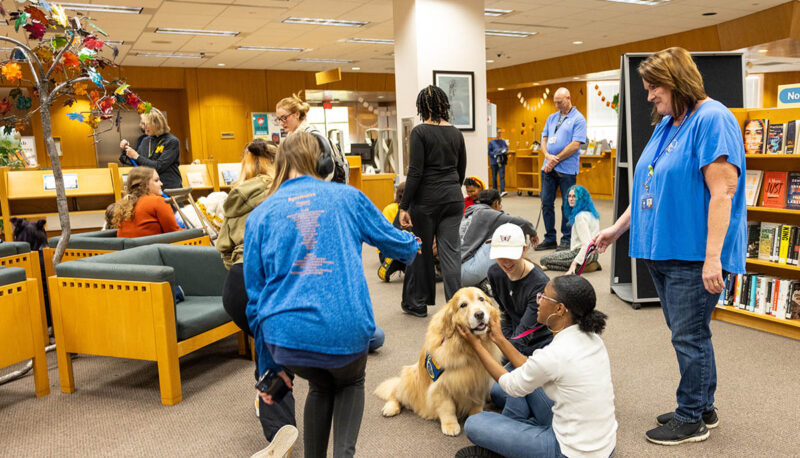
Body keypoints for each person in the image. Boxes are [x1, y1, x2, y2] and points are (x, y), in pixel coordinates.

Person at [593, 47, 746, 445]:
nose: (649, 97)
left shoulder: (712, 119)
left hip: (693, 253)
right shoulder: (669, 122)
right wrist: (616, 230)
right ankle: (704, 406)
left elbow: (723, 192)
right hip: (662, 249)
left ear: (677, 81)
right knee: (690, 333)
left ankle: (690, 417)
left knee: (688, 337)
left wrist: (713, 258)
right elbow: (651, 187)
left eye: (654, 87)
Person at [244, 132, 419, 458]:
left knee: (321, 385)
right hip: (344, 329)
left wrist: (270, 367)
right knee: (350, 382)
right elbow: (401, 248)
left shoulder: (259, 216)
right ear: (325, 162)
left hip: (286, 340)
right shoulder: (348, 198)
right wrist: (415, 244)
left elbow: (254, 302)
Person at [455, 275, 617, 458]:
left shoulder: (555, 354)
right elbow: (531, 367)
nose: (537, 300)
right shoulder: (591, 338)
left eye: (543, 297)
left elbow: (510, 384)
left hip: (569, 452)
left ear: (559, 309)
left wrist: (475, 344)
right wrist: (499, 339)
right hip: (604, 445)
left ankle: (513, 442)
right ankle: (518, 434)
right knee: (501, 390)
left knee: (475, 423)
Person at [398, 85, 467, 318]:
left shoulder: (419, 132)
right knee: (451, 253)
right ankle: (457, 306)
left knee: (422, 250)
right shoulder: (456, 133)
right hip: (453, 198)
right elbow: (461, 171)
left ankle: (418, 302)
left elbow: (415, 172)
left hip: (426, 201)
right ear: (444, 105)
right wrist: (450, 191)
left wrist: (403, 206)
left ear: (421, 107)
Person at [536, 88, 587, 252]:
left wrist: (555, 159)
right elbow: (543, 139)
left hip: (567, 170)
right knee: (546, 203)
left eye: (560, 102)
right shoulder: (552, 118)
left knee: (568, 204)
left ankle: (566, 239)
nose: (557, 105)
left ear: (568, 98)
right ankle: (550, 238)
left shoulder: (578, 119)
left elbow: (575, 145)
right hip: (548, 168)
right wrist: (547, 156)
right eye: (555, 102)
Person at [460, 190, 538, 287]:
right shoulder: (488, 213)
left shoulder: (471, 211)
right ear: (497, 203)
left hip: (452, 273)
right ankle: (508, 274)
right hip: (466, 273)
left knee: (492, 233)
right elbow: (523, 223)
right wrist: (533, 233)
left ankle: (484, 279)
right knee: (507, 231)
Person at [275, 94, 349, 184]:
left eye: (284, 118)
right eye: (278, 119)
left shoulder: (312, 137)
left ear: (297, 114)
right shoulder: (291, 140)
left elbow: (328, 170)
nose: (281, 123)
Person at [540, 185, 601, 273]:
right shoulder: (592, 214)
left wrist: (574, 263)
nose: (571, 199)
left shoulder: (580, 217)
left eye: (574, 196)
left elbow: (587, 244)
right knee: (558, 256)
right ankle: (587, 265)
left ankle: (580, 266)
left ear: (581, 198)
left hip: (582, 254)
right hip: (594, 254)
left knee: (544, 260)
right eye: (569, 196)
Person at [119, 108, 182, 191]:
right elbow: (133, 161)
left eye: (147, 124)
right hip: (150, 189)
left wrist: (137, 156)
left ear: (157, 124)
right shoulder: (146, 140)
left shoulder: (171, 141)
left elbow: (158, 166)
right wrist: (126, 149)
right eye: (143, 123)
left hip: (169, 189)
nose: (144, 127)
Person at [114, 167, 181, 238]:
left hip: (128, 248)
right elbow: (174, 233)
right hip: (151, 247)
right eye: (156, 180)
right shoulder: (158, 201)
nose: (161, 183)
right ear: (145, 184)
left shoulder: (124, 204)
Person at [378, 182, 407, 282]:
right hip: (394, 246)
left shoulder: (389, 208)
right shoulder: (404, 210)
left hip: (385, 250)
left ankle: (394, 262)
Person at [488, 128, 509, 196]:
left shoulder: (503, 141)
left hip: (501, 161)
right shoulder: (491, 142)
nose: (499, 134)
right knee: (494, 176)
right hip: (494, 162)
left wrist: (504, 151)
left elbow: (506, 148)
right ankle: (495, 191)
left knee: (502, 176)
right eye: (498, 132)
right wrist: (495, 154)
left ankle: (502, 190)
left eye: (500, 133)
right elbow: (489, 152)